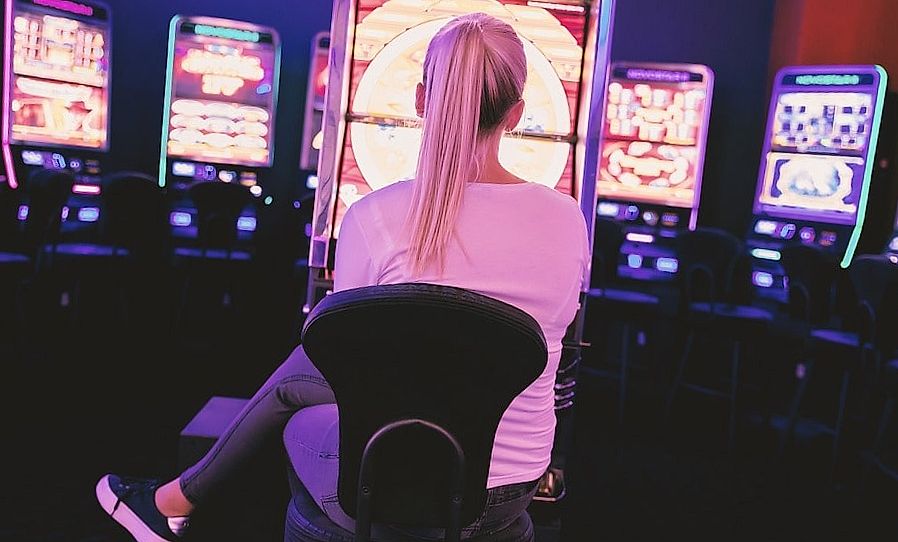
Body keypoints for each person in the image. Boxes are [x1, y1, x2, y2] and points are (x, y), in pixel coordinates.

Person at [96, 12, 588, 541]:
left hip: (386, 481)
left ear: (422, 99)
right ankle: (177, 499)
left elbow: (347, 371)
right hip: (511, 487)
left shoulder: (376, 217)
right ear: (515, 114)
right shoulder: (567, 220)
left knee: (300, 403)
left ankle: (176, 504)